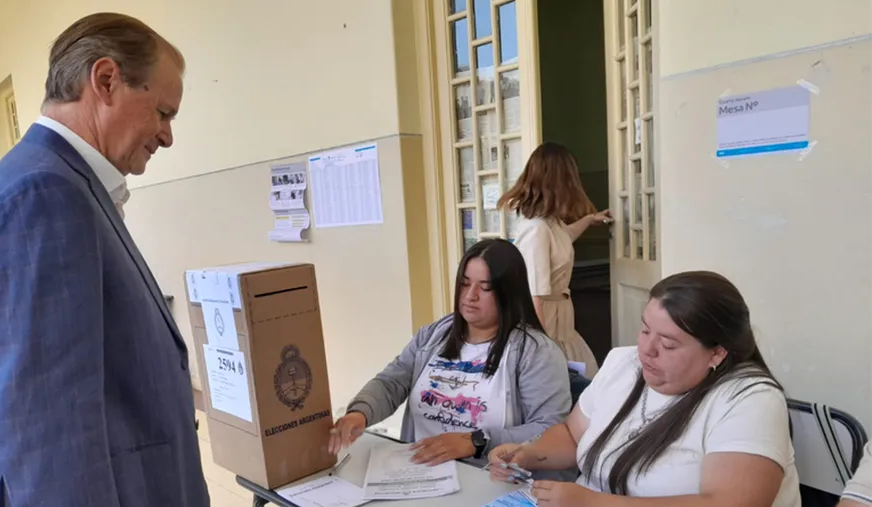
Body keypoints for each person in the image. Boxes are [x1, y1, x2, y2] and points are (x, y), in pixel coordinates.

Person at [0, 13, 210, 507]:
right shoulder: (42, 194)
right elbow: (49, 435)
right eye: (163, 113)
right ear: (105, 81)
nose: (167, 137)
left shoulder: (60, 180)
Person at [488, 271, 801, 507]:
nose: (647, 350)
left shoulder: (749, 399)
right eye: (644, 329)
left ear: (717, 352)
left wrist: (592, 503)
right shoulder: (623, 363)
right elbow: (573, 435)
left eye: (667, 343)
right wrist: (529, 454)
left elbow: (727, 503)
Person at [329, 239, 572, 465]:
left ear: (508, 293)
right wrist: (360, 413)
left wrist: (477, 441)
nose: (470, 296)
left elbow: (550, 430)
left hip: (486, 477)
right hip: (417, 470)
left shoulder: (536, 352)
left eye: (484, 288)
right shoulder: (435, 335)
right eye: (464, 284)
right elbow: (392, 382)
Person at [497, 142, 611, 377]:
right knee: (571, 382)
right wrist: (540, 346)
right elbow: (533, 293)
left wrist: (589, 220)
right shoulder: (537, 229)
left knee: (580, 380)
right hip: (547, 322)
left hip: (560, 319)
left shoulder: (552, 224)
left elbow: (565, 237)